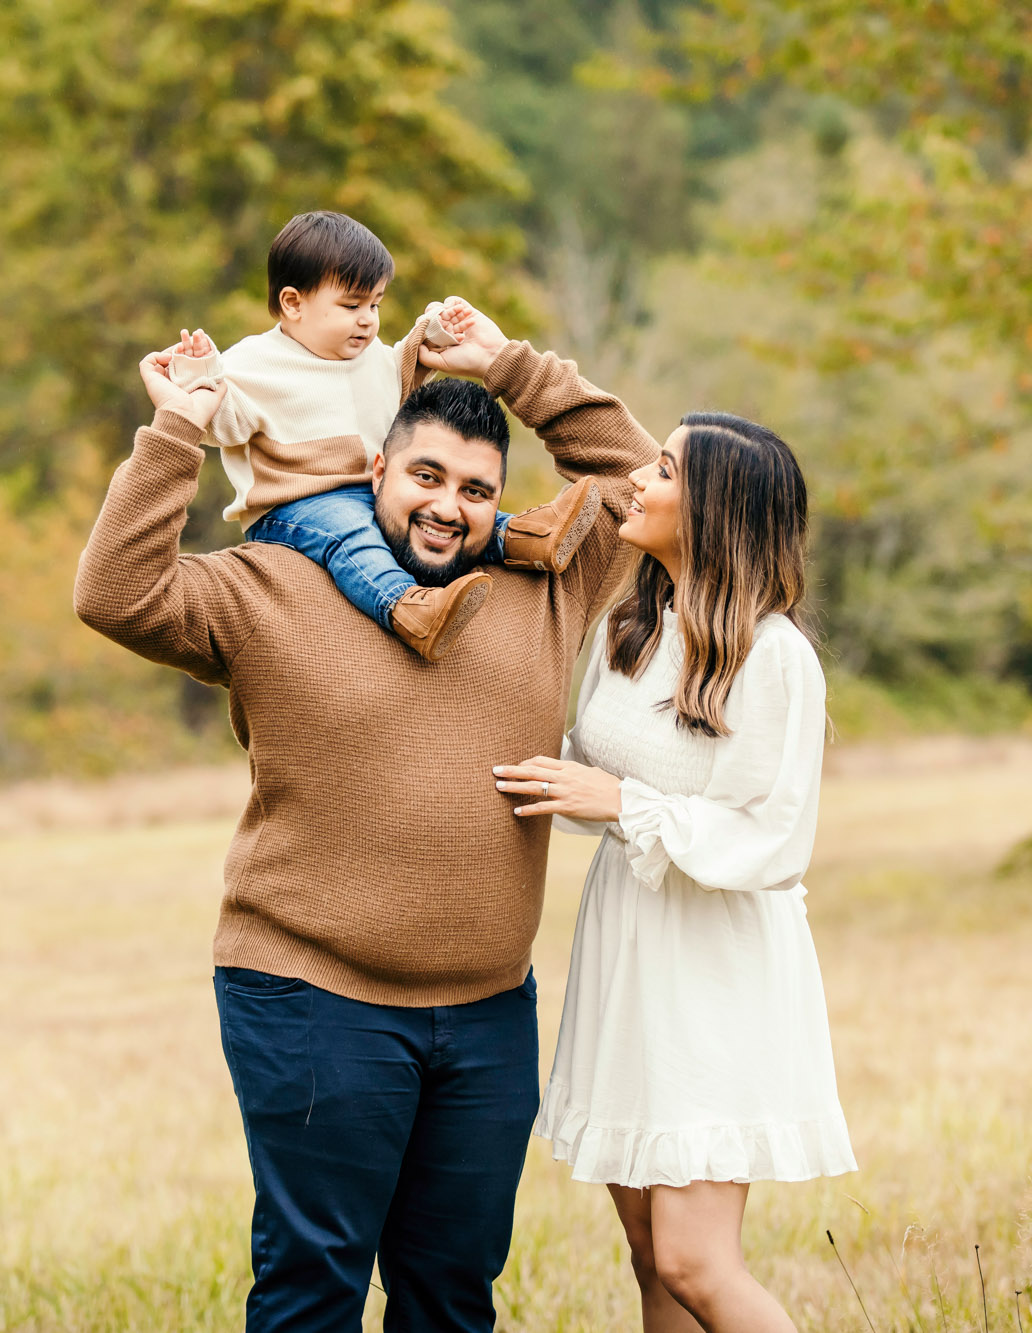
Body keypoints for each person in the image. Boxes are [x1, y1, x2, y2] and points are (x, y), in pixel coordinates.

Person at [71, 299, 657, 1332]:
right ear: (374, 471)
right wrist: (175, 431)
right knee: (313, 1285)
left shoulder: (544, 591)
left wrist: (506, 365)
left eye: (476, 489)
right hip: (308, 996)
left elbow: (636, 473)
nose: (449, 506)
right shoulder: (265, 586)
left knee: (452, 1290)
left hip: (485, 1015)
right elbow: (115, 592)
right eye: (425, 476)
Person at [492, 412, 858, 1333]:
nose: (641, 481)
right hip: (629, 952)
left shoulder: (774, 657)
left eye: (663, 468)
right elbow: (582, 764)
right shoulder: (633, 626)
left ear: (718, 510)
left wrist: (623, 805)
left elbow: (774, 839)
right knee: (653, 1256)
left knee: (697, 1260)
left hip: (713, 969)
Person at [168, 210, 602, 662]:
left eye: (375, 305)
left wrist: (433, 333)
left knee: (452, 510)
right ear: (293, 303)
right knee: (353, 536)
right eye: (352, 306)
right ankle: (407, 606)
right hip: (298, 506)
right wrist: (199, 374)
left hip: (371, 488)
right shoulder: (255, 363)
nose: (367, 321)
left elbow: (400, 374)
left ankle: (523, 537)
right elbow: (222, 421)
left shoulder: (368, 355)